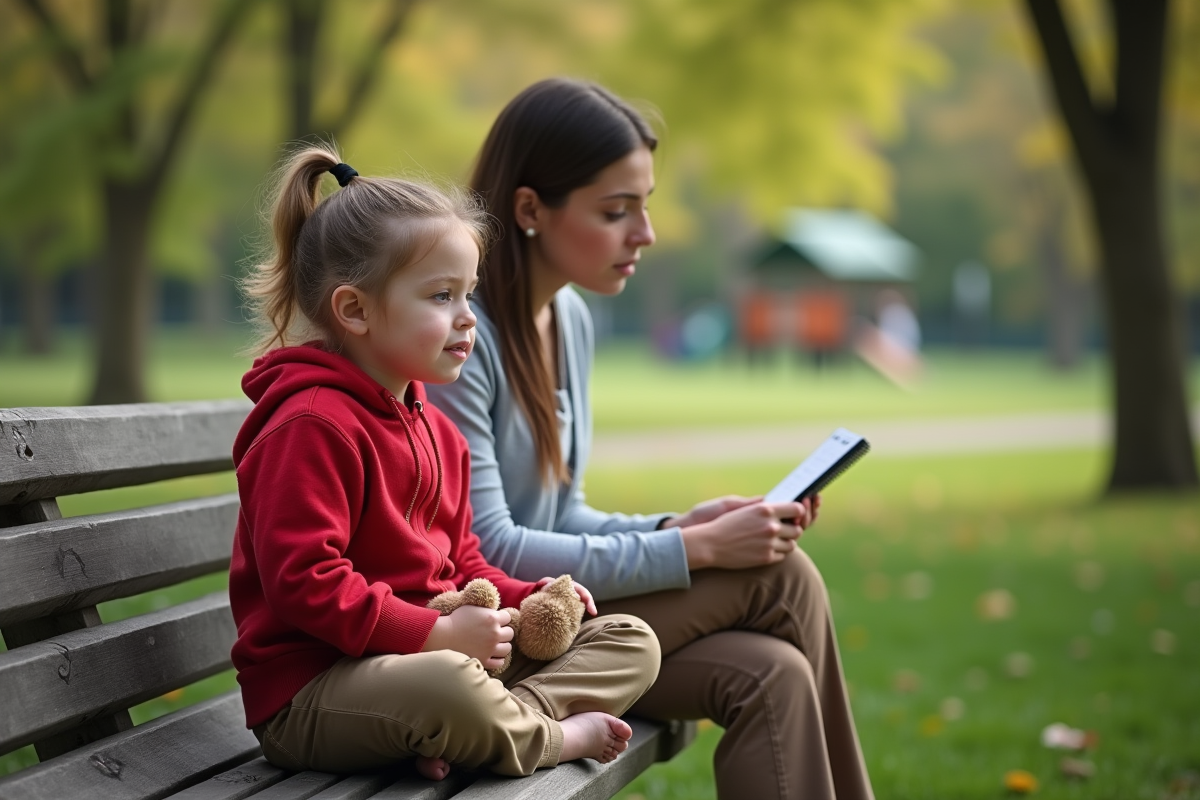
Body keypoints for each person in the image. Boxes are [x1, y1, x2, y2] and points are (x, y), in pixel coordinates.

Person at [426, 78, 875, 800]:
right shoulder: (459, 338)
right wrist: (698, 548)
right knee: (782, 577)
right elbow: (491, 547)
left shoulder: (567, 319)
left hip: (559, 618)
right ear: (531, 209)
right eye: (616, 211)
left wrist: (676, 526)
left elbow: (562, 512)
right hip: (494, 634)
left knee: (774, 674)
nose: (645, 233)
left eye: (645, 205)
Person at [229, 144, 661, 780]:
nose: (467, 319)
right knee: (449, 684)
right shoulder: (310, 425)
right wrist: (435, 637)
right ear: (355, 310)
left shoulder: (438, 431)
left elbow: (464, 563)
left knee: (630, 640)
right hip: (316, 691)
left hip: (434, 663)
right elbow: (305, 585)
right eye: (440, 296)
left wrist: (528, 596)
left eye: (469, 294)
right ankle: (549, 737)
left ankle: (486, 728)